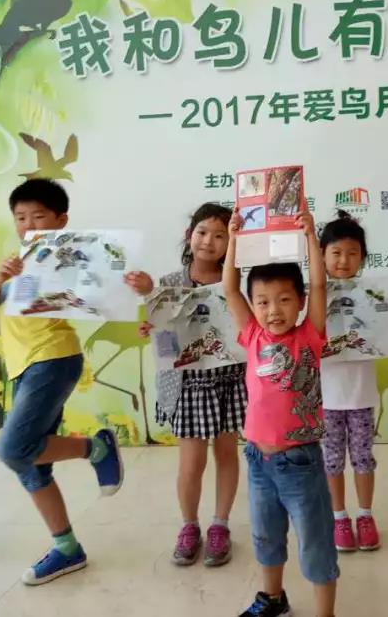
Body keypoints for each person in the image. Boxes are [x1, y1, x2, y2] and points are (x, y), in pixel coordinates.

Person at [0, 178, 124, 584]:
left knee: (13, 449)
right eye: (20, 217)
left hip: (53, 358)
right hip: (22, 366)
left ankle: (95, 448)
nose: (28, 225)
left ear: (61, 220)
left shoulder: (72, 259)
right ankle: (67, 548)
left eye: (38, 216)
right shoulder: (14, 261)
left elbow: (105, 290)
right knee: (30, 465)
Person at [224, 209, 338, 617]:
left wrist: (310, 237)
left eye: (285, 300)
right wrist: (233, 240)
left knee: (315, 542)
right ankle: (272, 599)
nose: (273, 310)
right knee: (265, 537)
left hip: (300, 462)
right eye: (263, 302)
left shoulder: (310, 335)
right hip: (258, 460)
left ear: (301, 302)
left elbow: (320, 283)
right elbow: (230, 289)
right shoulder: (252, 334)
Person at [124, 203, 243, 567]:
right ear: (189, 235)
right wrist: (152, 328)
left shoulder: (235, 282)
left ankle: (220, 525)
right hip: (188, 384)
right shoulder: (169, 283)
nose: (209, 241)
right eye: (202, 232)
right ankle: (189, 525)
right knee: (191, 463)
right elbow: (164, 335)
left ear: (231, 243)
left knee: (227, 454)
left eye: (220, 236)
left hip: (230, 378)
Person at [319, 211, 388, 552]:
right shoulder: (311, 297)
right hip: (326, 397)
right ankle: (339, 517)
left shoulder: (373, 295)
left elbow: (387, 325)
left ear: (362, 257)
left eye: (352, 253)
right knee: (331, 460)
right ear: (321, 255)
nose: (343, 260)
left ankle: (365, 515)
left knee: (363, 457)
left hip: (361, 395)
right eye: (336, 253)